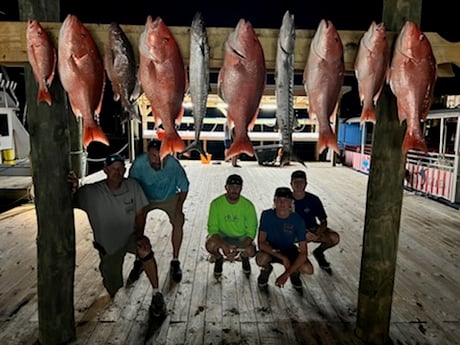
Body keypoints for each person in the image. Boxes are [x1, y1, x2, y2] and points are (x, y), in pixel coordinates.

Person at [67, 154, 166, 317]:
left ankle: (157, 293)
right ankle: (109, 270)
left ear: (125, 171)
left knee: (145, 248)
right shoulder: (91, 192)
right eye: (113, 169)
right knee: (114, 290)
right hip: (108, 246)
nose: (117, 172)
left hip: (129, 237)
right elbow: (70, 198)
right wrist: (72, 186)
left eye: (120, 169)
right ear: (105, 170)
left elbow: (140, 213)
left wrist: (140, 236)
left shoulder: (133, 186)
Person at [128, 139, 190, 283]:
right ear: (147, 155)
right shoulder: (138, 164)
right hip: (145, 196)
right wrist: (135, 207)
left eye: (161, 157)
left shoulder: (174, 165)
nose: (157, 160)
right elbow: (131, 185)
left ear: (167, 155)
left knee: (178, 221)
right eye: (153, 156)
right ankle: (140, 258)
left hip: (169, 196)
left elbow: (184, 188)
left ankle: (175, 260)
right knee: (137, 222)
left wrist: (179, 208)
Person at [256, 187, 314, 293]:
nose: (282, 203)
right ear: (274, 201)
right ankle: (266, 269)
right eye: (279, 200)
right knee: (261, 259)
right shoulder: (267, 215)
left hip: (289, 249)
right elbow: (261, 243)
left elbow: (304, 253)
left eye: (286, 200)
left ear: (291, 203)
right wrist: (282, 257)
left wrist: (286, 274)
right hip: (272, 249)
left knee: (308, 269)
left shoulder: (297, 220)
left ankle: (294, 273)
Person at [206, 174, 258, 279]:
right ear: (226, 187)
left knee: (251, 250)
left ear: (241, 188)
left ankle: (244, 257)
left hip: (241, 237)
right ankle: (218, 258)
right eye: (231, 187)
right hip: (222, 235)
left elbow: (251, 232)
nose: (234, 190)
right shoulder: (216, 204)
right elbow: (212, 229)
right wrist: (223, 245)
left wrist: (240, 248)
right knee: (210, 245)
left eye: (237, 187)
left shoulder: (248, 206)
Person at [290, 170, 340, 274]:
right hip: (292, 232)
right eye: (296, 182)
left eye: (301, 182)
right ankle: (295, 262)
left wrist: (319, 233)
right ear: (291, 184)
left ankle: (319, 253)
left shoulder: (313, 199)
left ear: (306, 184)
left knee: (334, 237)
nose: (299, 185)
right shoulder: (286, 200)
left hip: (312, 229)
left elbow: (323, 220)